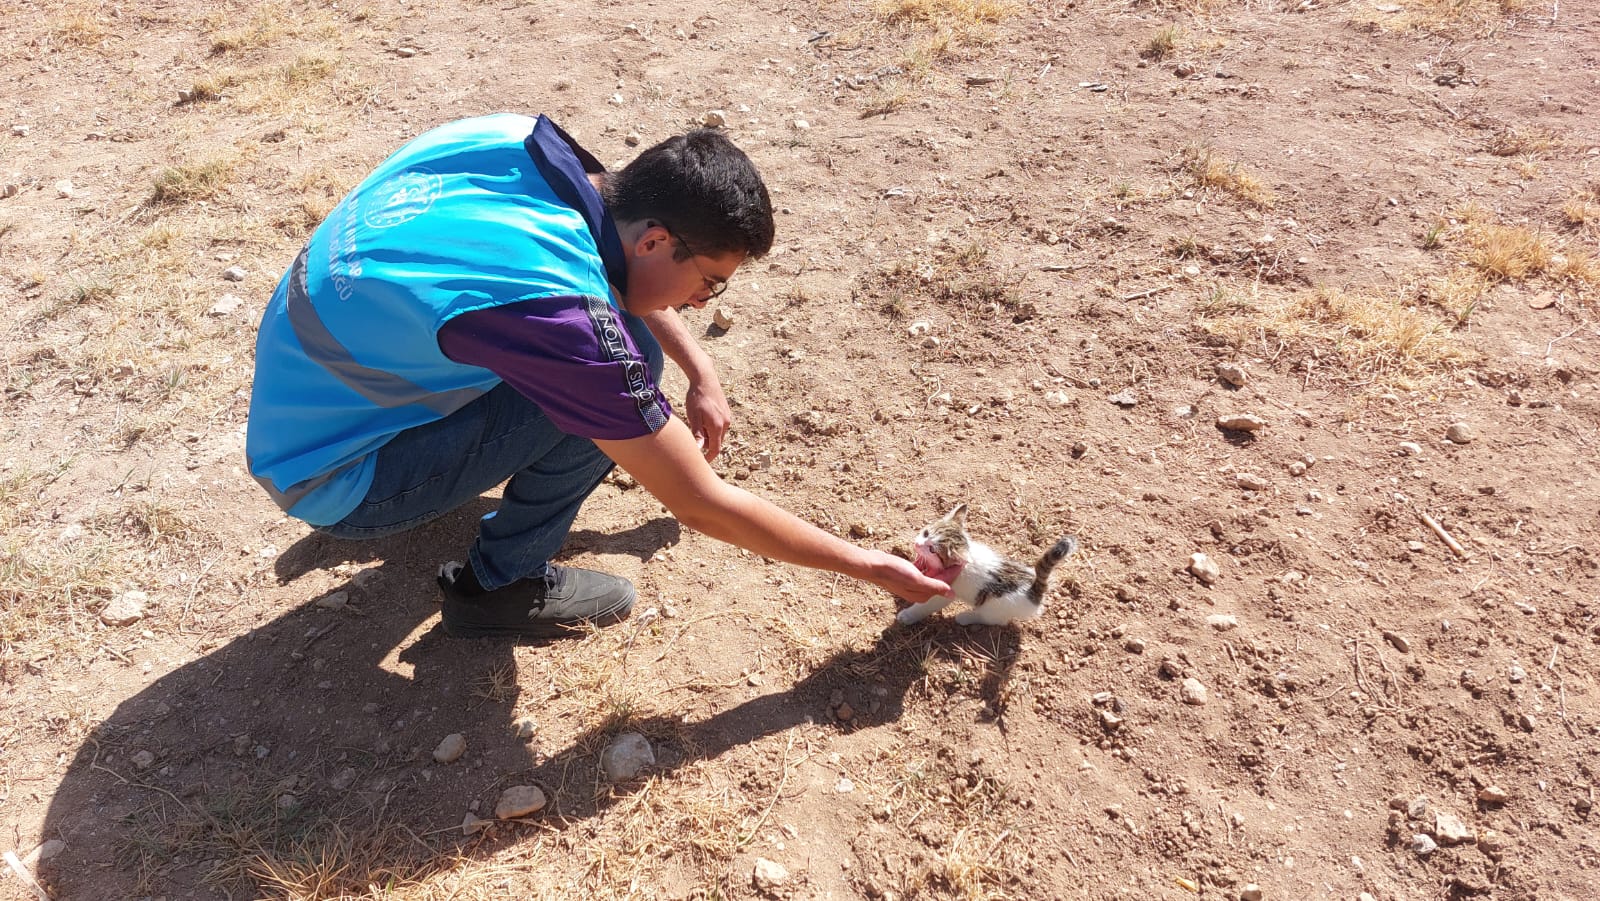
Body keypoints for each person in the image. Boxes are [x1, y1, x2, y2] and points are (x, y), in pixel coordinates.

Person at [245, 113, 950, 638]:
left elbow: (609, 277)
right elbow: (702, 504)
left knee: (620, 352)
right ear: (655, 239)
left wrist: (700, 366)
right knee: (624, 371)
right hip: (333, 474)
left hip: (305, 396)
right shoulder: (560, 318)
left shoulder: (519, 142)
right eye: (708, 283)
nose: (702, 304)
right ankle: (499, 586)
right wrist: (872, 568)